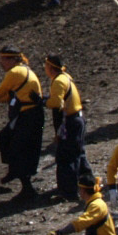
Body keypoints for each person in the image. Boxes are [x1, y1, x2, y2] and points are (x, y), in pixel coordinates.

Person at [0, 47, 44, 199]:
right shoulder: (22, 71)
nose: (1, 63)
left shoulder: (14, 73)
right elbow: (11, 95)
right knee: (5, 138)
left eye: (3, 59)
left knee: (20, 147)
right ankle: (13, 170)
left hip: (29, 115)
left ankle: (26, 185)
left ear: (11, 60)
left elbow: (2, 90)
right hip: (27, 114)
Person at [44, 55, 87, 200]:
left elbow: (56, 103)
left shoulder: (58, 81)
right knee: (78, 153)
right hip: (77, 119)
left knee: (66, 157)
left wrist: (43, 102)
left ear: (50, 67)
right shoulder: (65, 77)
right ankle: (87, 182)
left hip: (71, 122)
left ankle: (69, 192)